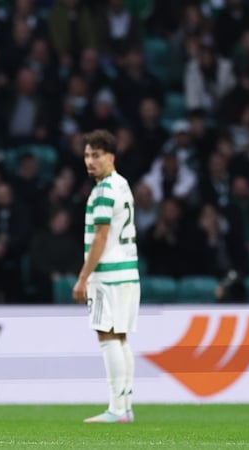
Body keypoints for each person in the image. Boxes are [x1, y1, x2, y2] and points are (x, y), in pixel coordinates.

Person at [71, 129, 139, 423]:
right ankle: (125, 406)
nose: (89, 161)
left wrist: (83, 277)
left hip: (107, 275)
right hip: (128, 272)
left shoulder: (102, 191)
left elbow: (100, 237)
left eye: (96, 155)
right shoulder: (122, 185)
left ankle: (116, 408)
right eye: (86, 155)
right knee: (120, 337)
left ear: (110, 157)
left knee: (107, 335)